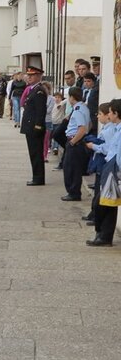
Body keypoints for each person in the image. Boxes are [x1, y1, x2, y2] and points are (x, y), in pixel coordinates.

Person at [87, 99, 121, 246]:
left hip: (114, 169)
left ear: (115, 114)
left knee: (103, 204)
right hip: (110, 167)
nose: (109, 115)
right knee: (108, 204)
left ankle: (103, 234)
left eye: (111, 112)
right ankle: (104, 236)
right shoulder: (116, 128)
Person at [61, 86, 91, 201]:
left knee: (71, 169)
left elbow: (82, 128)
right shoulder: (84, 107)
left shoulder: (78, 109)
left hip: (75, 141)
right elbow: (89, 125)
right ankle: (73, 192)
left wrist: (73, 142)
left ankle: (73, 192)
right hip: (78, 141)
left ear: (72, 97)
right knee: (73, 168)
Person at [20, 65, 47, 186]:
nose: (29, 77)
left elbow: (41, 112)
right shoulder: (32, 89)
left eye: (32, 75)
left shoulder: (39, 91)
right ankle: (36, 176)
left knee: (36, 153)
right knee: (33, 153)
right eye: (28, 75)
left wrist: (37, 127)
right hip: (30, 127)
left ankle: (38, 178)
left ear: (38, 76)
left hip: (34, 128)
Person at [43, 81, 55, 161]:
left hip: (47, 121)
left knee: (46, 139)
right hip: (39, 120)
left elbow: (49, 110)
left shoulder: (51, 98)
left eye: (45, 89)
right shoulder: (39, 97)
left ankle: (45, 155)